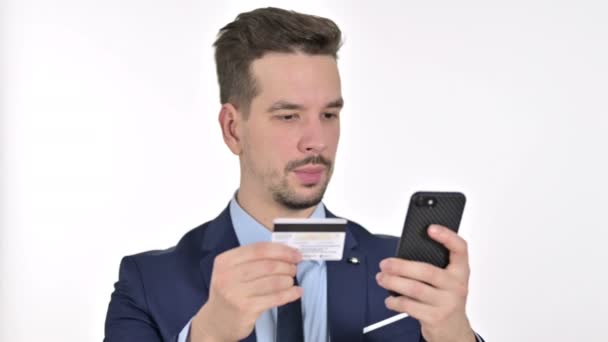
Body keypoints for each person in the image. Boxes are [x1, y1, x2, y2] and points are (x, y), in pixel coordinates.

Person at [104, 7, 485, 342]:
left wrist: (455, 336)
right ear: (233, 129)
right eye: (288, 116)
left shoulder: (407, 274)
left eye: (329, 115)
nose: (316, 141)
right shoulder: (148, 282)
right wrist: (207, 336)